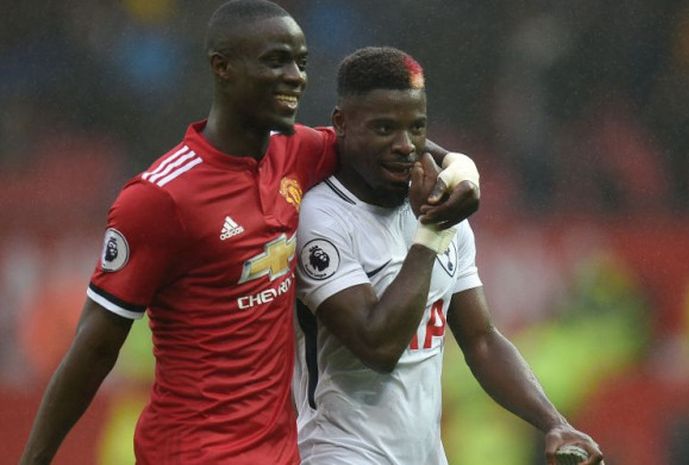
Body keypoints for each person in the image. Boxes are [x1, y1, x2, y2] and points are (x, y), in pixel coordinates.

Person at [18, 2, 480, 465]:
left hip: (279, 453)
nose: (295, 76)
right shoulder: (161, 198)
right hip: (192, 453)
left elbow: (398, 140)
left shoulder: (299, 152)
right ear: (223, 67)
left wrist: (464, 170)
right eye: (275, 60)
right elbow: (95, 347)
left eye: (301, 62)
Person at [293, 46, 605, 465]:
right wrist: (430, 232)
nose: (405, 146)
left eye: (416, 128)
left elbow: (481, 340)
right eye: (385, 128)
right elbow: (378, 345)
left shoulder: (441, 205)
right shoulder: (322, 218)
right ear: (342, 124)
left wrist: (553, 422)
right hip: (339, 452)